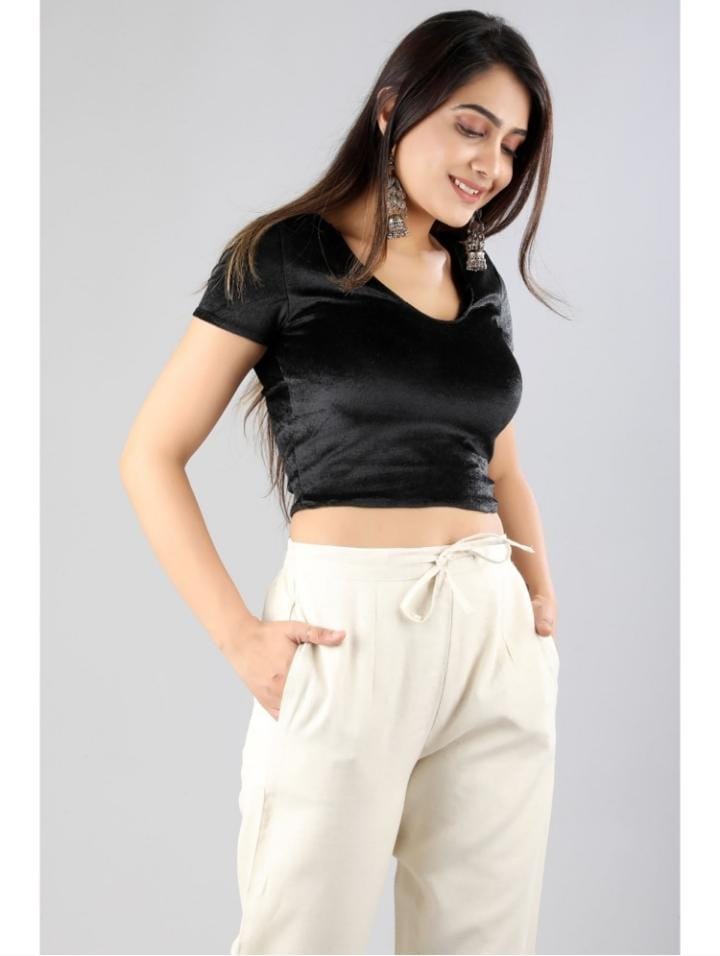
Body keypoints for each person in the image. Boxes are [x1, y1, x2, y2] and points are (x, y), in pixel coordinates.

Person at [120, 10, 567, 955]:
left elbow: (502, 465)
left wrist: (536, 604)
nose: (491, 164)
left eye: (512, 145)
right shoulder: (285, 256)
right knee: (302, 933)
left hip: (492, 634)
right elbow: (149, 454)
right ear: (393, 108)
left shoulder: (479, 282)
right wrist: (239, 636)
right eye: (472, 126)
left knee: (484, 942)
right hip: (347, 630)